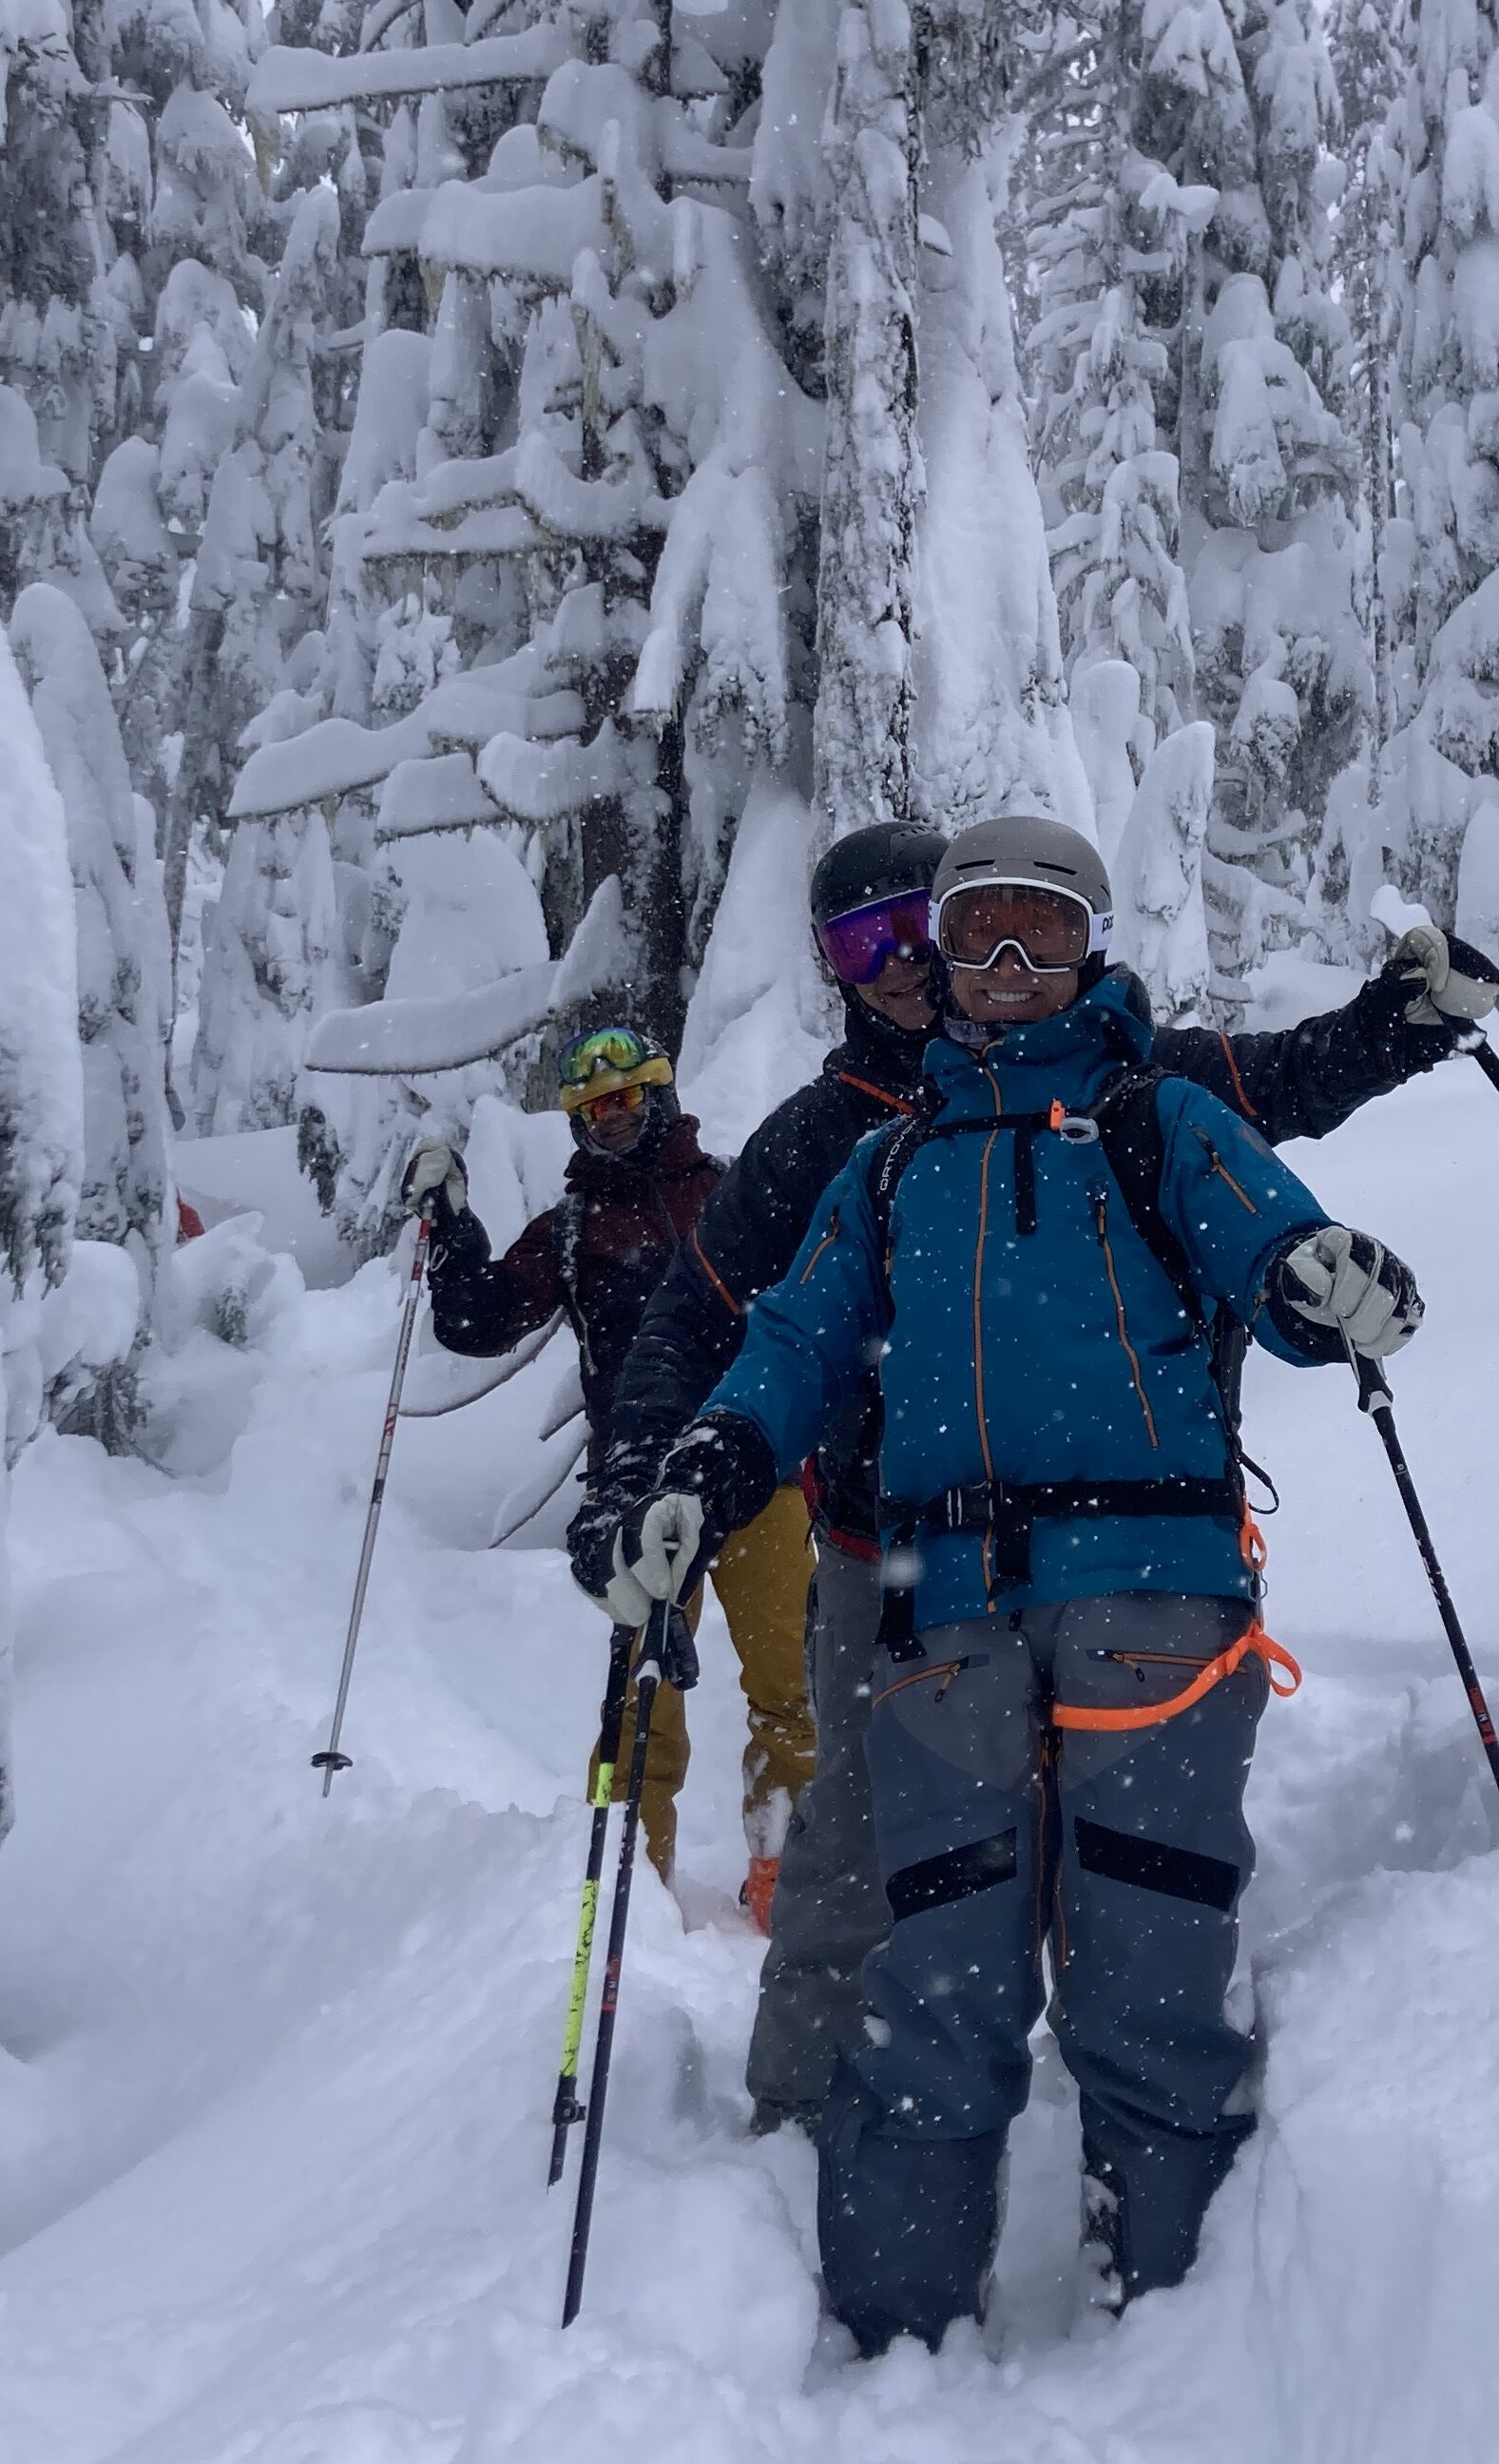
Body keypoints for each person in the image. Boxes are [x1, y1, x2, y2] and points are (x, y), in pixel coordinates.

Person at [605, 816, 1431, 2351]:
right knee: (936, 1983)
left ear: (1088, 951)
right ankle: (890, 2332)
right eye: (973, 931)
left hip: (1150, 1599)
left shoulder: (1155, 1116)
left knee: (1150, 1962)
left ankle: (1177, 2329)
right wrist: (706, 1466)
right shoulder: (883, 1159)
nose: (999, 964)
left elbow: (1269, 1237)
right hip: (949, 1617)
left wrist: (1330, 1290)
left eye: (1036, 934)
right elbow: (782, 1338)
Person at [406, 1025, 812, 1915]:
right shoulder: (573, 1228)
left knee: (789, 1685)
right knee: (640, 1710)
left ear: (660, 1093)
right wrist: (450, 1231)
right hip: (641, 1492)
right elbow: (480, 1321)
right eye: (591, 1109)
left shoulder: (735, 1193)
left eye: (626, 1099)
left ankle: (786, 1868)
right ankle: (634, 1880)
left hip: (759, 1474)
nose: (612, 1119)